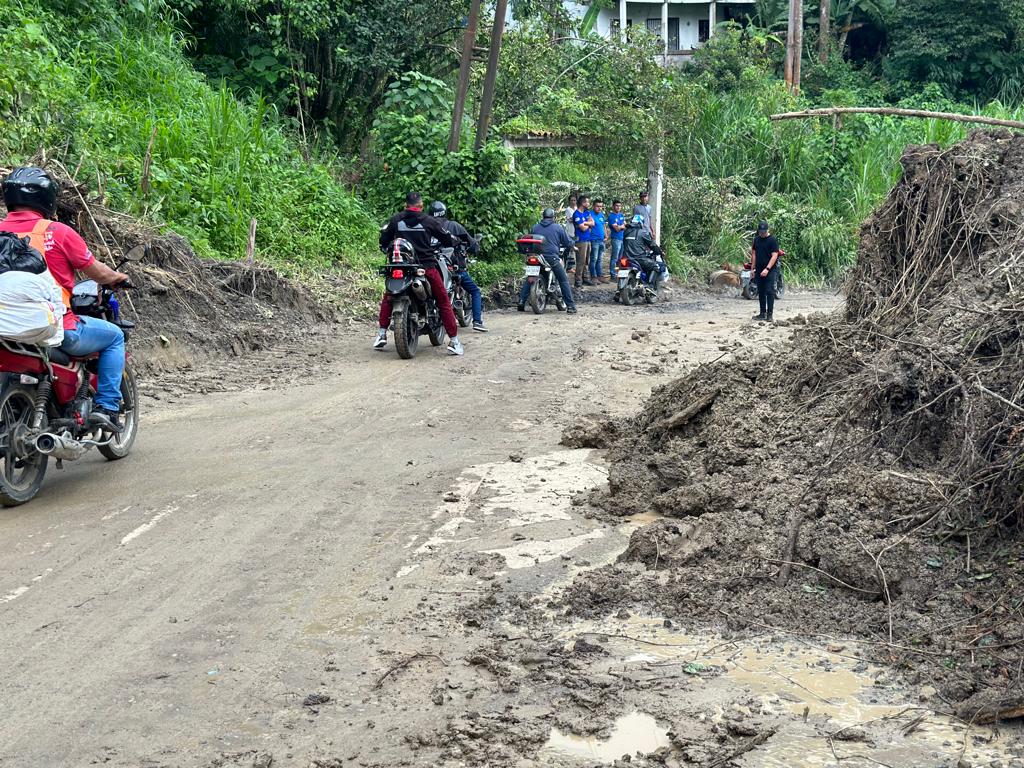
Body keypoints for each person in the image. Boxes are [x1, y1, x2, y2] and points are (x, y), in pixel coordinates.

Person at [0, 167, 130, 431]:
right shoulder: (57, 232)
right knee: (115, 336)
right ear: (47, 198)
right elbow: (96, 271)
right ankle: (107, 407)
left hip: (5, 328)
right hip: (57, 327)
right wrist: (117, 277)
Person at [374, 192, 462, 355]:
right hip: (426, 267)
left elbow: (384, 240)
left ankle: (381, 334)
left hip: (401, 266)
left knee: (388, 296)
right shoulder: (429, 221)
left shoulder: (396, 220)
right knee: (443, 300)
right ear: (421, 206)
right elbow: (446, 238)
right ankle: (454, 341)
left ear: (405, 205)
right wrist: (455, 241)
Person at [429, 201, 487, 333]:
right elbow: (472, 244)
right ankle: (477, 321)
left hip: (429, 267)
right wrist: (475, 246)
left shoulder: (426, 226)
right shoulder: (453, 226)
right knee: (475, 291)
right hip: (454, 269)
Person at [518, 208, 577, 315]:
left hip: (535, 257)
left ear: (543, 216)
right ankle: (571, 306)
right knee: (563, 279)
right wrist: (573, 245)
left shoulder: (535, 227)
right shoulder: (558, 228)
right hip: (551, 258)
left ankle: (521, 302)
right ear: (553, 217)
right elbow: (567, 242)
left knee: (530, 277)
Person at [620, 214, 664, 294]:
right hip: (639, 259)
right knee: (655, 266)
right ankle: (650, 286)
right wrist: (659, 251)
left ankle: (618, 290)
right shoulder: (643, 232)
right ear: (641, 223)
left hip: (625, 258)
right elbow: (652, 244)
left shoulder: (626, 232)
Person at [750, 221, 780, 322]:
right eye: (760, 232)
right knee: (761, 291)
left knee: (769, 291)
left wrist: (767, 269)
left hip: (770, 270)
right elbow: (754, 254)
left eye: (763, 232)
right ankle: (762, 313)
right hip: (758, 269)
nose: (761, 234)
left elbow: (774, 255)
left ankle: (770, 315)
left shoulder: (772, 240)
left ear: (767, 230)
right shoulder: (756, 240)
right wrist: (752, 268)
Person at [571, 196, 594, 288]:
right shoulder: (576, 214)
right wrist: (587, 224)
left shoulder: (587, 212)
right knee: (581, 261)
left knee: (586, 260)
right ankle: (578, 281)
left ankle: (585, 278)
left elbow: (593, 223)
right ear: (583, 203)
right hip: (581, 240)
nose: (588, 204)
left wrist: (585, 223)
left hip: (588, 240)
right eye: (587, 202)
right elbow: (583, 228)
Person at [589, 199, 608, 283]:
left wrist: (606, 234)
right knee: (594, 259)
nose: (599, 208)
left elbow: (603, 225)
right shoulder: (590, 215)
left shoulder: (601, 215)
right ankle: (593, 276)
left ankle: (599, 275)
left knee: (600, 259)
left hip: (601, 240)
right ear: (593, 206)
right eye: (597, 206)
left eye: (600, 206)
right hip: (594, 240)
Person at [608, 199, 626, 276]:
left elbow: (626, 225)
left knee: (622, 257)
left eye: (619, 206)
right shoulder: (611, 216)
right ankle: (613, 273)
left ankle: (621, 272)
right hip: (616, 239)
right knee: (615, 257)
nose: (618, 207)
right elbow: (617, 229)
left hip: (623, 238)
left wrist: (621, 226)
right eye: (616, 206)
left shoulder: (621, 215)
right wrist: (622, 226)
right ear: (613, 206)